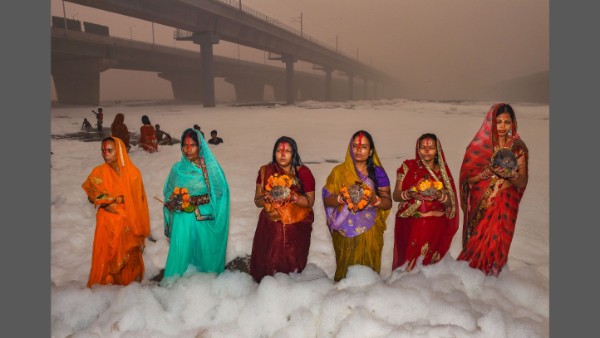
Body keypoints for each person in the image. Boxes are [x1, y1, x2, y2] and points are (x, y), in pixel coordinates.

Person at [457, 103, 529, 276]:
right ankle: (470, 279)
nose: (503, 127)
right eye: (498, 122)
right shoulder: (478, 147)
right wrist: (485, 173)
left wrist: (511, 175)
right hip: (482, 204)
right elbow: (468, 179)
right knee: (477, 243)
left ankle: (494, 281)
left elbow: (522, 180)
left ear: (513, 124)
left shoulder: (518, 148)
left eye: (507, 122)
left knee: (499, 242)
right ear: (491, 122)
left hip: (506, 204)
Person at [162, 128, 230, 284]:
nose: (188, 149)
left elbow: (220, 193)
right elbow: (168, 191)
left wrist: (192, 201)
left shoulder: (210, 169)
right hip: (181, 218)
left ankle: (206, 283)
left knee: (204, 256)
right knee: (181, 246)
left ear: (200, 146)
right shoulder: (177, 169)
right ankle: (175, 282)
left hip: (204, 216)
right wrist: (174, 201)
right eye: (185, 145)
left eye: (192, 145)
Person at [322, 130, 392, 281]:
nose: (359, 150)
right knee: (345, 274)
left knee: (368, 274)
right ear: (350, 148)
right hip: (343, 230)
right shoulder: (338, 172)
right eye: (355, 146)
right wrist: (341, 198)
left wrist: (375, 200)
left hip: (370, 230)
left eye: (364, 147)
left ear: (371, 151)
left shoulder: (377, 173)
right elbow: (327, 199)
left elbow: (387, 203)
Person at [82, 137, 151, 287]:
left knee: (131, 251)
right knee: (108, 256)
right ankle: (108, 283)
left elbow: (139, 202)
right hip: (108, 222)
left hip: (129, 220)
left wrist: (130, 217)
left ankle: (130, 285)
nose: (105, 154)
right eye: (103, 150)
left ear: (119, 151)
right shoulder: (98, 172)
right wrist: (106, 202)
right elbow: (91, 197)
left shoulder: (133, 174)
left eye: (109, 150)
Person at [250, 136, 315, 282]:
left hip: (296, 225)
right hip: (269, 224)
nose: (283, 154)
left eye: (288, 151)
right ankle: (268, 285)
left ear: (294, 154)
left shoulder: (303, 173)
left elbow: (310, 202)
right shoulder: (265, 171)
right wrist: (268, 197)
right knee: (268, 258)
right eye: (279, 150)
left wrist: (292, 196)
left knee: (291, 263)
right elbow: (257, 201)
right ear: (274, 153)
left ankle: (290, 284)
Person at [391, 133, 458, 272]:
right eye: (422, 147)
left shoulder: (443, 173)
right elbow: (396, 195)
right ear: (417, 149)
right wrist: (408, 193)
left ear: (437, 150)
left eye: (431, 148)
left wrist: (439, 195)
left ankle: (426, 291)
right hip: (413, 223)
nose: (426, 151)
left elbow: (451, 203)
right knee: (410, 265)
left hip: (437, 226)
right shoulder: (408, 166)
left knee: (429, 268)